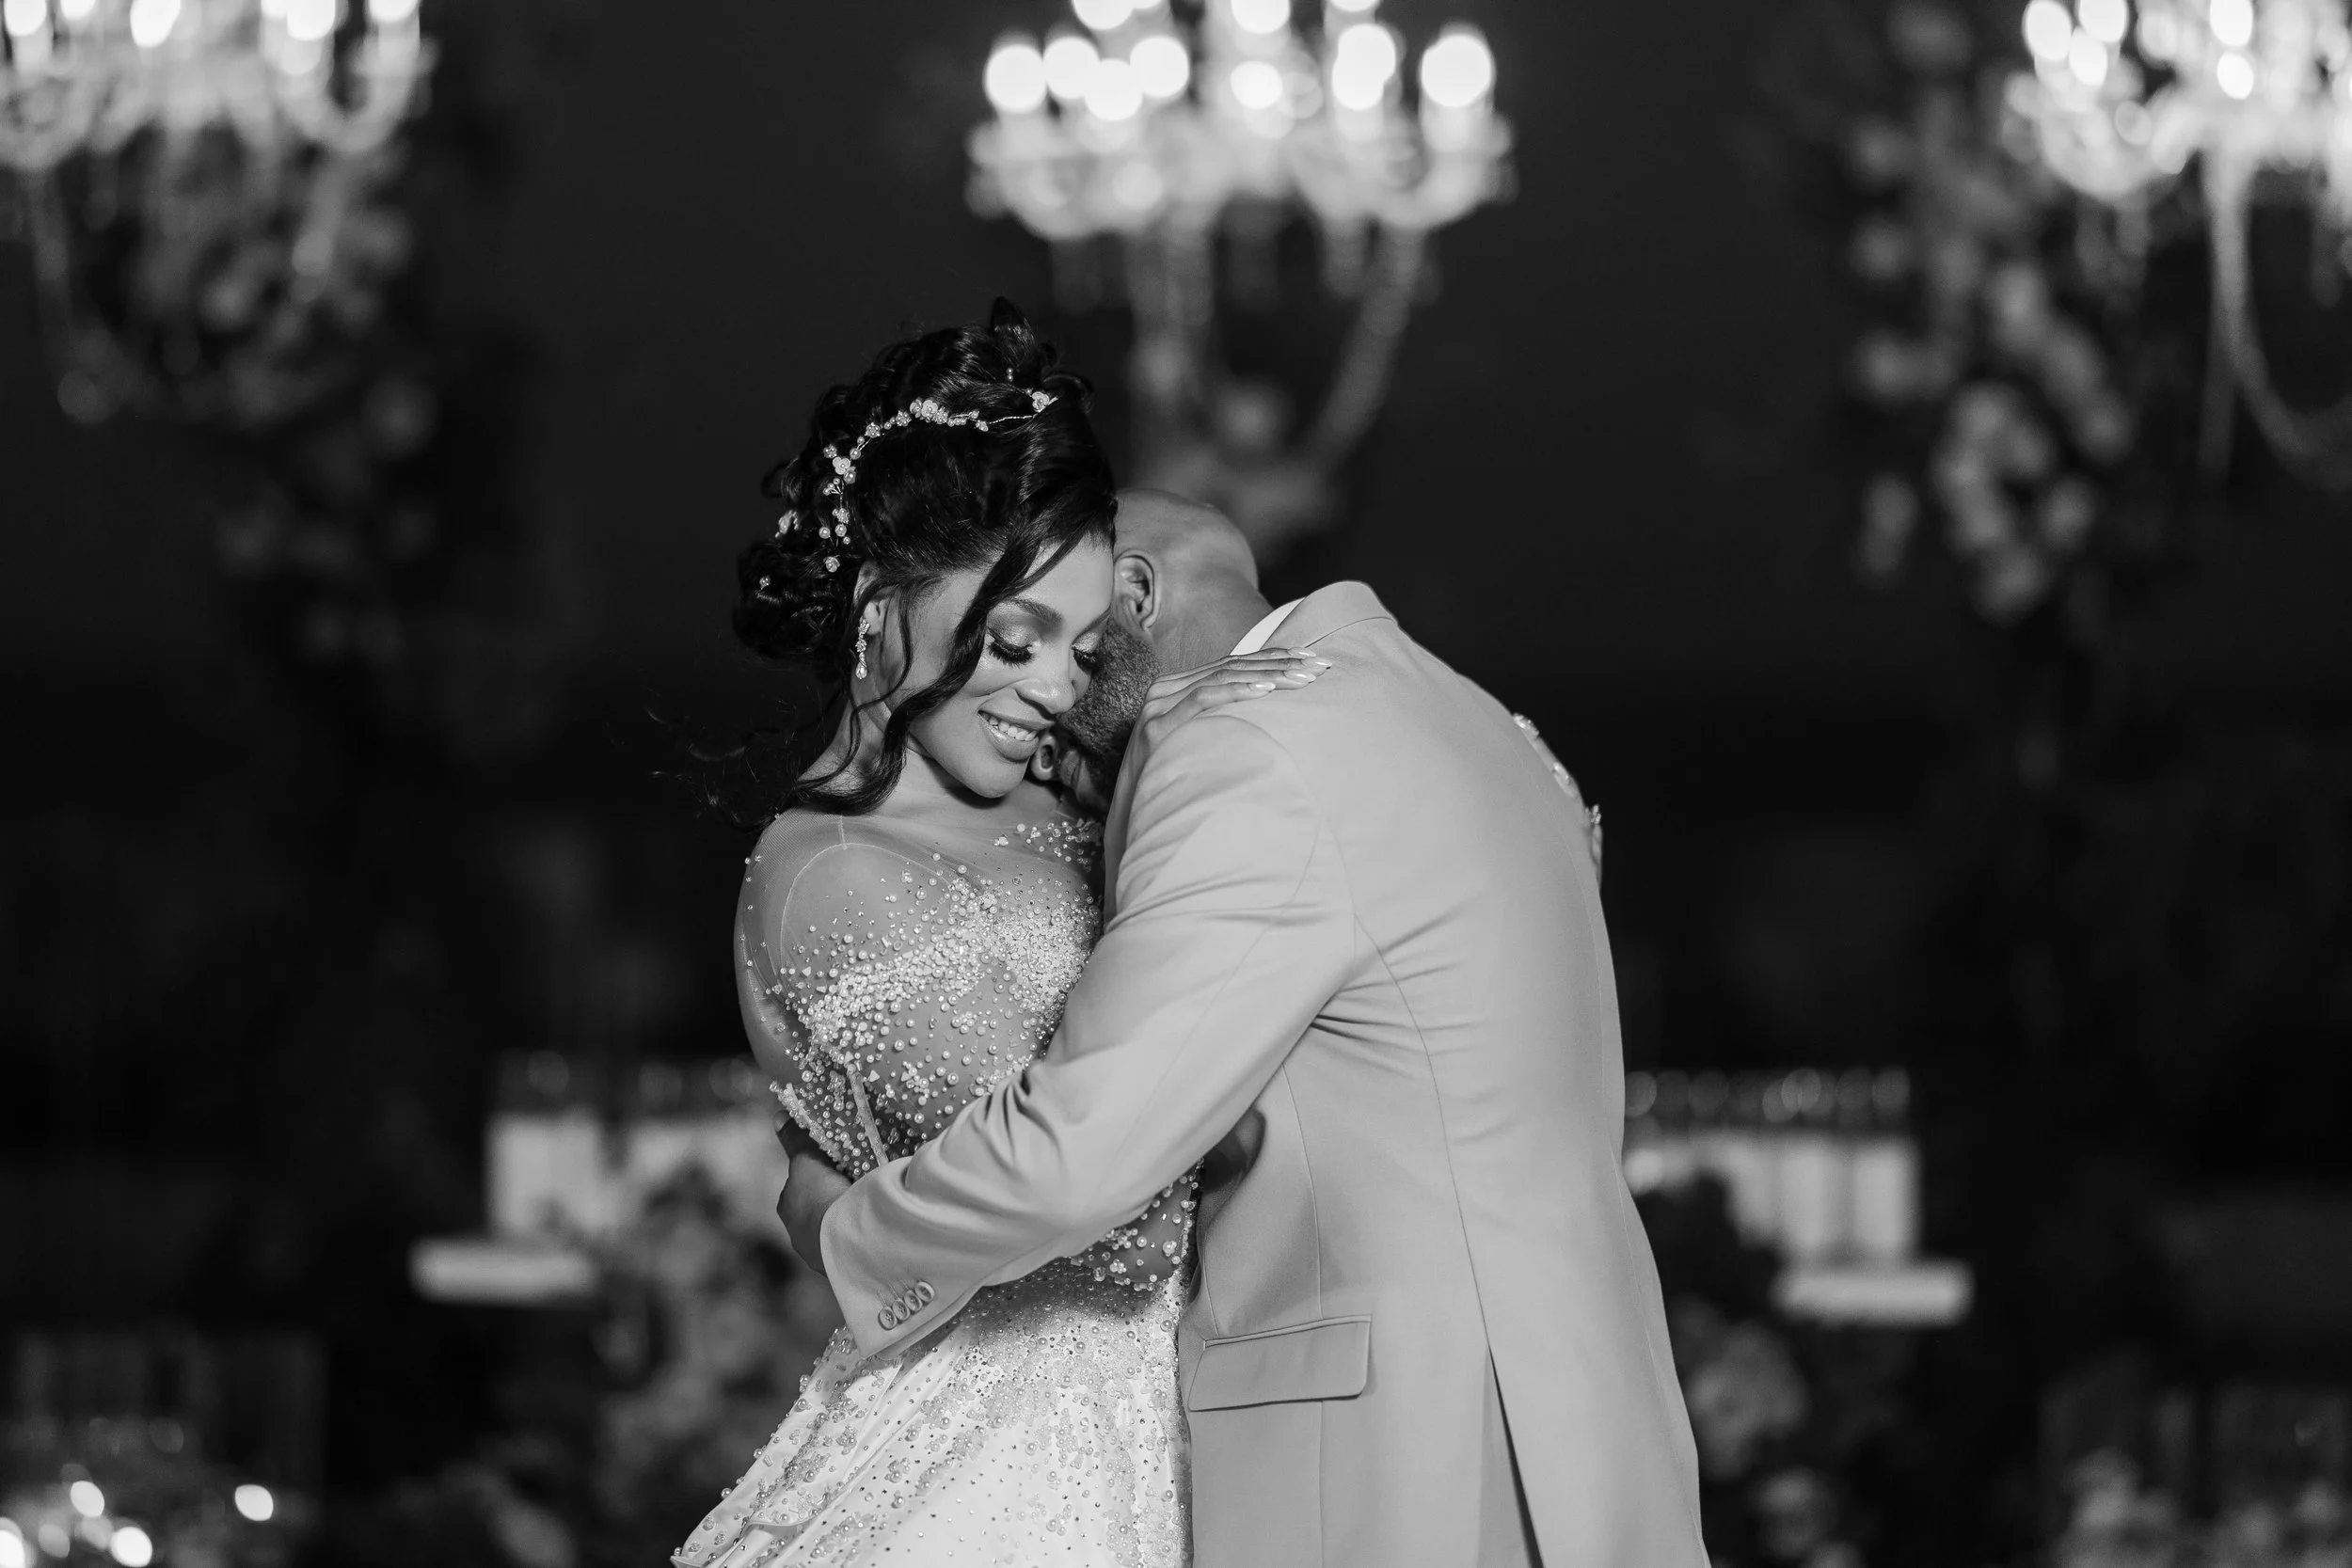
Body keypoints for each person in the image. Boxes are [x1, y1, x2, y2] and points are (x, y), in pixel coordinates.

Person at [779, 489, 1710, 1567]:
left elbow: (1079, 1155)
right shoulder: (1487, 728)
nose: (1044, 718)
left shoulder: (1245, 745)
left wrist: (840, 1228)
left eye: (1057, 641)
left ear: (1132, 592)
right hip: (1583, 1436)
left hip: (1395, 1460)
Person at [672, 306, 1323, 1568]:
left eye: (1082, 649)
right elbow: (1110, 1216)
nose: (1054, 689)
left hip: (1146, 1446)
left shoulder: (1071, 796)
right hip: (993, 1480)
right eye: (1014, 640)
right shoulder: (830, 874)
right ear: (877, 608)